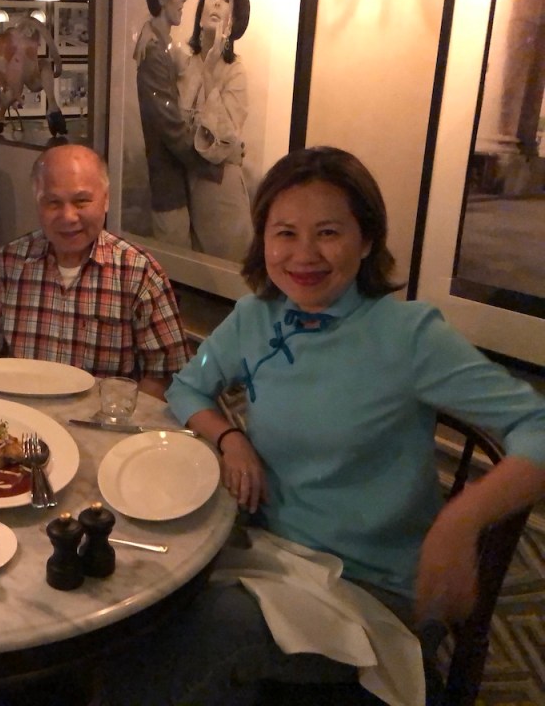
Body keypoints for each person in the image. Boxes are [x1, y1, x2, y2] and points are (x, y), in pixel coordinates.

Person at [104, 147, 545, 704]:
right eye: (285, 233)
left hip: (368, 588)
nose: (304, 254)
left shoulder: (407, 335)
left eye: (329, 233)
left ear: (366, 241)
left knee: (201, 639)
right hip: (262, 552)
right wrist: (230, 436)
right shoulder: (256, 317)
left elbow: (539, 427)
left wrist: (460, 521)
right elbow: (189, 387)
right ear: (263, 240)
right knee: (137, 604)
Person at [0, 144, 191, 399]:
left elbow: (163, 375)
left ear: (105, 200)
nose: (68, 216)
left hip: (100, 426)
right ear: (37, 202)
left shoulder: (139, 273)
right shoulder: (5, 267)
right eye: (53, 203)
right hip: (22, 421)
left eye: (81, 201)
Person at [133, 0, 221, 249]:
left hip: (179, 187)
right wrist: (216, 164)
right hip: (169, 192)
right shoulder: (154, 53)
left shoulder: (163, 46)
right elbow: (171, 127)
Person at [179, 0, 252, 261]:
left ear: (232, 20)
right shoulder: (183, 61)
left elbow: (222, 145)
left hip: (223, 196)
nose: (216, 4)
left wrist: (210, 74)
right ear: (199, 11)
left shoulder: (236, 71)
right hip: (188, 192)